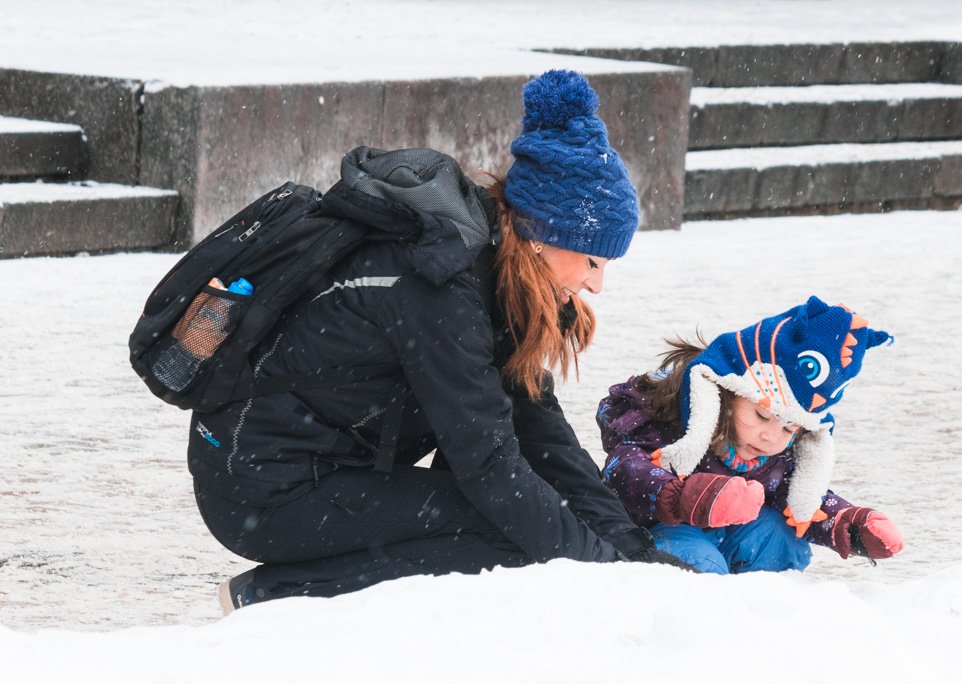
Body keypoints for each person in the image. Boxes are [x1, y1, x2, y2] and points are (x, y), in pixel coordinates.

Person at [191, 69, 689, 612]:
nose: (596, 283)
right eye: (592, 260)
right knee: (507, 530)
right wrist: (602, 573)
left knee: (527, 511)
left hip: (330, 467)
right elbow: (489, 465)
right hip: (262, 486)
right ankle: (275, 597)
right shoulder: (439, 285)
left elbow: (540, 431)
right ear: (543, 238)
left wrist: (631, 552)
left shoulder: (492, 266)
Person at [595, 297, 905, 574]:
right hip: (664, 531)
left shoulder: (774, 455)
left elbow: (801, 498)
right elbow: (624, 470)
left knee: (777, 534)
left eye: (788, 428)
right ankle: (699, 612)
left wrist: (846, 524)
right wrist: (685, 496)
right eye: (761, 415)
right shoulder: (669, 425)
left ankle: (764, 607)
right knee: (694, 558)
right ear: (727, 393)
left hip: (733, 533)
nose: (771, 437)